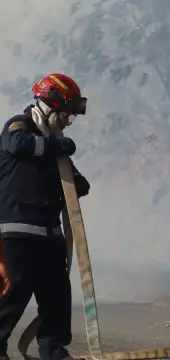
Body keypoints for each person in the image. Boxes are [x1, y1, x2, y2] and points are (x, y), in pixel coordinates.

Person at [0, 73, 91, 360]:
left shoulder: (56, 145)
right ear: (49, 105)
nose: (67, 122)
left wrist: (71, 172)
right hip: (16, 232)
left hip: (50, 236)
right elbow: (19, 146)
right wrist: (57, 148)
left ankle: (53, 351)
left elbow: (79, 184)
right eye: (66, 114)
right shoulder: (19, 126)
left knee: (57, 298)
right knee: (13, 295)